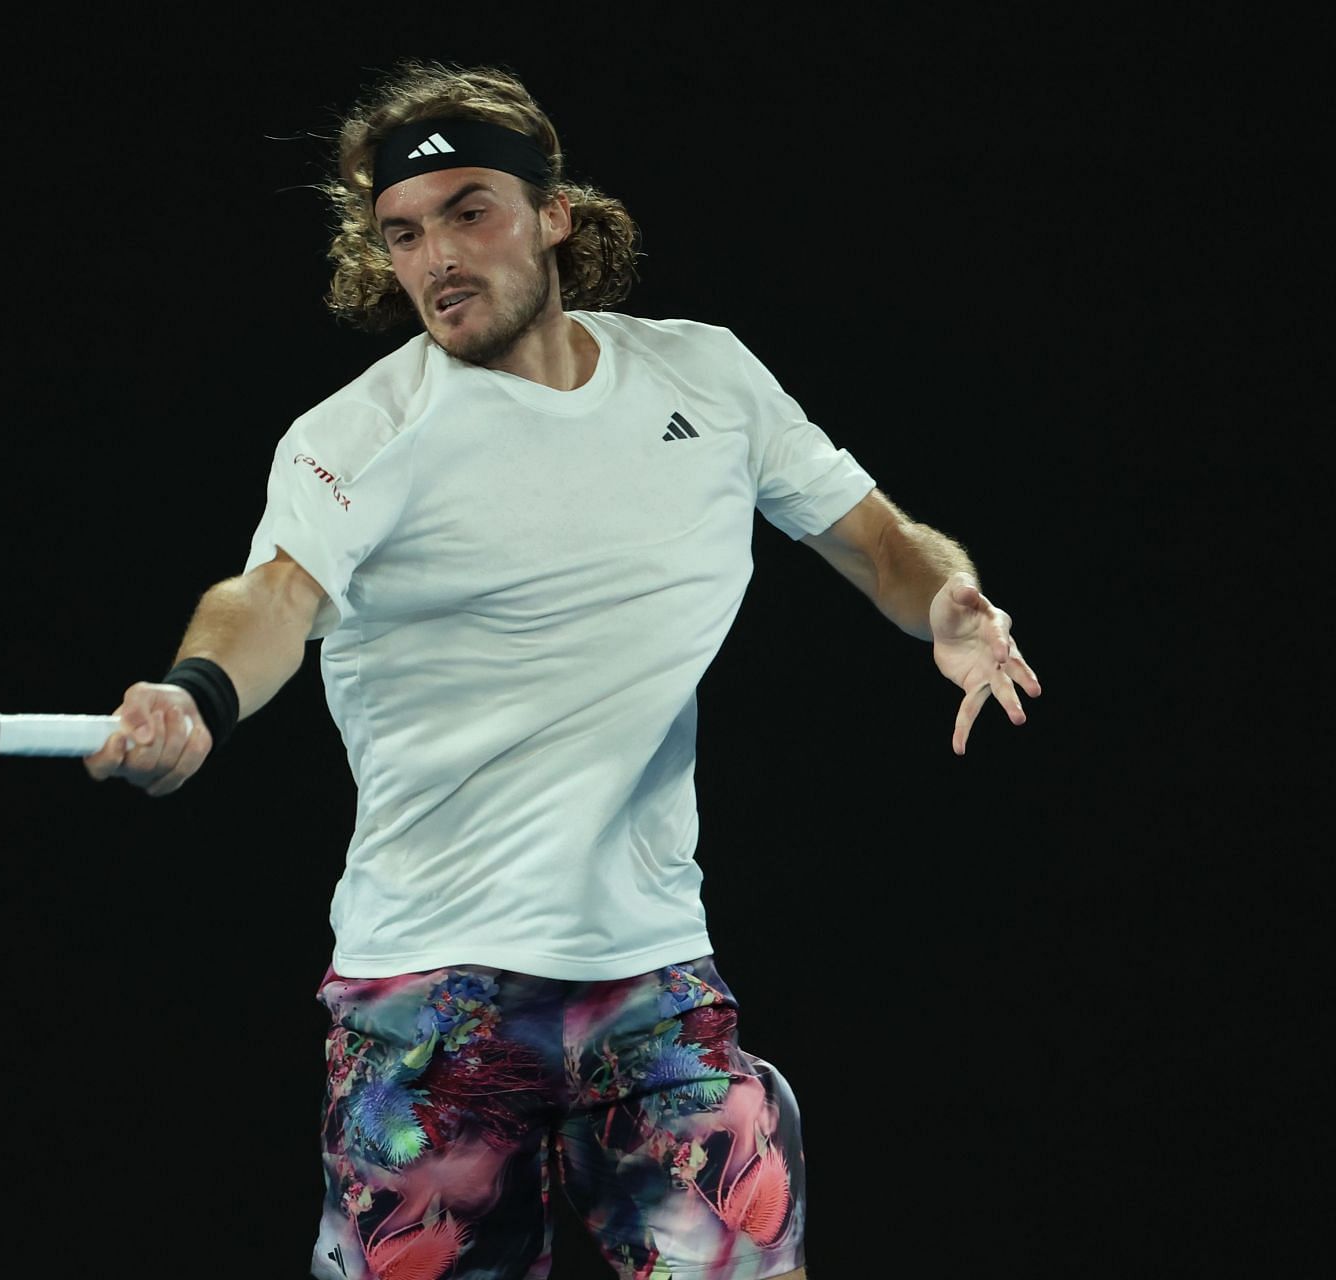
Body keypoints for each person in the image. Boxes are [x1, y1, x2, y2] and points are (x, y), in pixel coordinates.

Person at [84, 61, 1039, 1280]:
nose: (435, 257)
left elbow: (883, 545)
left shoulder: (710, 380)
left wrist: (947, 608)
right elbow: (268, 600)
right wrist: (195, 692)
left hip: (650, 978)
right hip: (426, 1002)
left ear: (555, 213)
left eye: (469, 211)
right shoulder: (359, 437)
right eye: (404, 233)